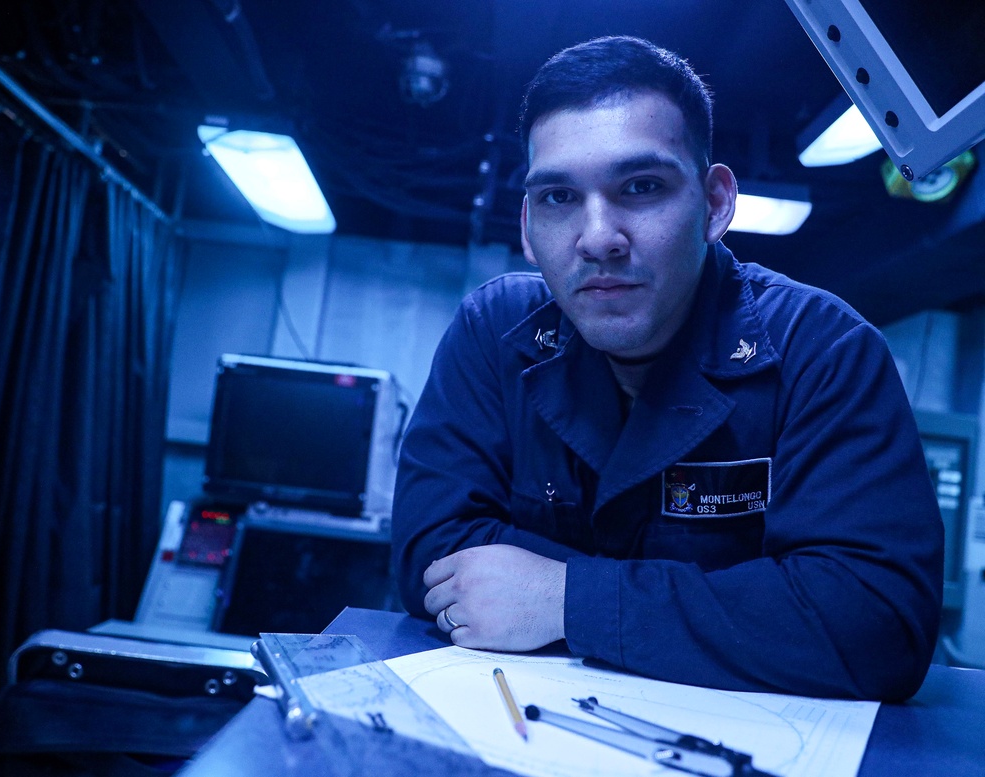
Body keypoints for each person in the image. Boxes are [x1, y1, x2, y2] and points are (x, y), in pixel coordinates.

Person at [390, 36, 943, 701]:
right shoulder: (494, 333)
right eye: (560, 197)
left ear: (714, 204)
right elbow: (434, 555)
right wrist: (745, 603)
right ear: (530, 227)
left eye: (642, 186)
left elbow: (874, 622)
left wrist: (567, 600)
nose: (598, 237)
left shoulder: (823, 350)